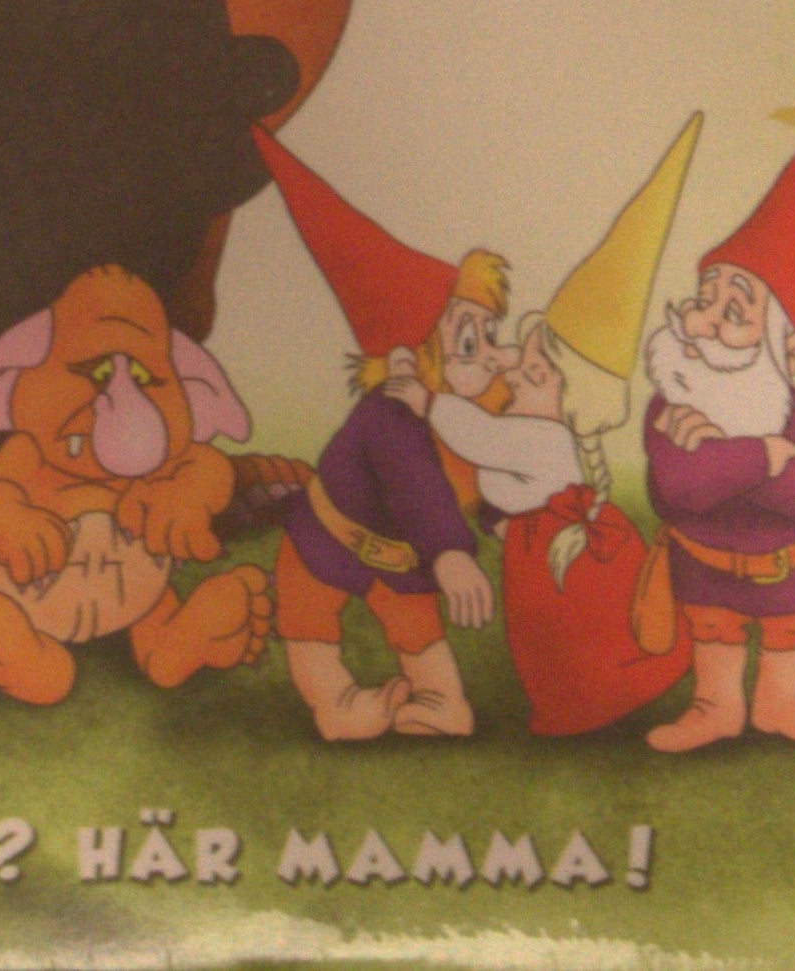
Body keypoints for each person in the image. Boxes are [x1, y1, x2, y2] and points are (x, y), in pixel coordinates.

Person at [388, 116, 701, 735]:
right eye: (523, 363)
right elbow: (510, 386)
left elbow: (481, 438)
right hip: (541, 552)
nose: (513, 373)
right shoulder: (546, 421)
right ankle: (576, 697)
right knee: (550, 640)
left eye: (532, 371)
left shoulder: (540, 438)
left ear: (569, 399)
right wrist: (508, 358)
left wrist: (426, 401)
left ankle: (593, 696)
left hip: (560, 564)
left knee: (568, 632)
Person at [638, 0, 795, 750]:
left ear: (782, 349)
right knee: (712, 627)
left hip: (790, 568)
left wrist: (739, 457)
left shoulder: (791, 409)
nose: (707, 319)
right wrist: (763, 456)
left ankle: (782, 701)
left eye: (735, 310)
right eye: (705, 298)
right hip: (706, 564)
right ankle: (715, 706)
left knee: (788, 631)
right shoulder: (676, 394)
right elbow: (679, 485)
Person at [256, 129, 510, 740]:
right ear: (405, 364)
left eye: (490, 335)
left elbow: (485, 469)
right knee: (308, 623)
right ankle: (337, 704)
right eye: (468, 340)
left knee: (418, 631)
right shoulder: (390, 417)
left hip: (403, 557)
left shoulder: (478, 409)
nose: (490, 354)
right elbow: (417, 484)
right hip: (329, 535)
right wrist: (452, 552)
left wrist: (503, 517)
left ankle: (442, 703)